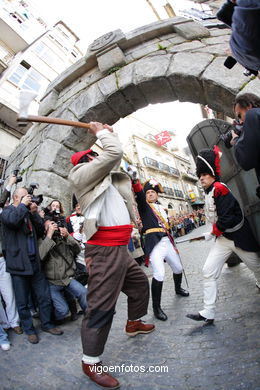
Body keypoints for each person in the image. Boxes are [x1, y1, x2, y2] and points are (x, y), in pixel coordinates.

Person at [69, 121, 154, 389]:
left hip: (120, 248)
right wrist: (103, 135)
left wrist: (111, 135)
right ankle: (90, 361)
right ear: (86, 162)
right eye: (94, 157)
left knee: (140, 285)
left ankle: (133, 323)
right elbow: (112, 154)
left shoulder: (105, 178)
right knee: (101, 306)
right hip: (104, 251)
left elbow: (113, 161)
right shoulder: (80, 175)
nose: (98, 159)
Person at [187, 146, 260, 325]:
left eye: (204, 174)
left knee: (257, 268)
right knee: (208, 271)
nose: (201, 178)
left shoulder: (220, 188)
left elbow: (227, 218)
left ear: (212, 174)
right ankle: (208, 312)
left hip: (239, 238)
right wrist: (213, 233)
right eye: (200, 175)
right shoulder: (208, 192)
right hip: (223, 240)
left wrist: (211, 233)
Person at [1, 187, 63, 344]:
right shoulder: (7, 212)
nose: (28, 199)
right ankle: (29, 330)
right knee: (22, 302)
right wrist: (23, 206)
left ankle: (47, 324)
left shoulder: (27, 213)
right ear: (15, 197)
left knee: (44, 297)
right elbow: (12, 222)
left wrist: (34, 212)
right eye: (24, 197)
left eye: (28, 197)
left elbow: (41, 229)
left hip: (34, 263)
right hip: (18, 265)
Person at [131, 178, 189, 322]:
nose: (150, 194)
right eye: (148, 192)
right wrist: (136, 183)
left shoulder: (162, 208)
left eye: (152, 192)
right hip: (154, 243)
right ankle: (157, 308)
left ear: (157, 195)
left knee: (178, 267)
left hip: (166, 240)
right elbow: (139, 195)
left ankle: (178, 288)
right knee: (159, 273)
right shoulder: (144, 206)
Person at [38, 218, 87, 322]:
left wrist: (67, 236)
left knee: (83, 292)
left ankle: (90, 316)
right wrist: (49, 236)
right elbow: (40, 256)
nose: (53, 227)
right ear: (44, 230)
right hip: (52, 282)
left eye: (54, 224)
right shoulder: (41, 241)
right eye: (49, 226)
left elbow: (77, 250)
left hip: (67, 279)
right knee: (63, 311)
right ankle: (51, 319)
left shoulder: (62, 239)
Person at [0, 175, 22, 335]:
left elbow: (1, 201)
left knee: (9, 292)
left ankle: (14, 322)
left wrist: (9, 185)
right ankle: (5, 323)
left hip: (1, 259)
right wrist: (9, 184)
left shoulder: (2, 211)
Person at [231, 93, 260, 197]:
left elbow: (246, 161)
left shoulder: (252, 114)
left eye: (239, 115)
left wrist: (235, 139)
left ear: (249, 106)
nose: (240, 121)